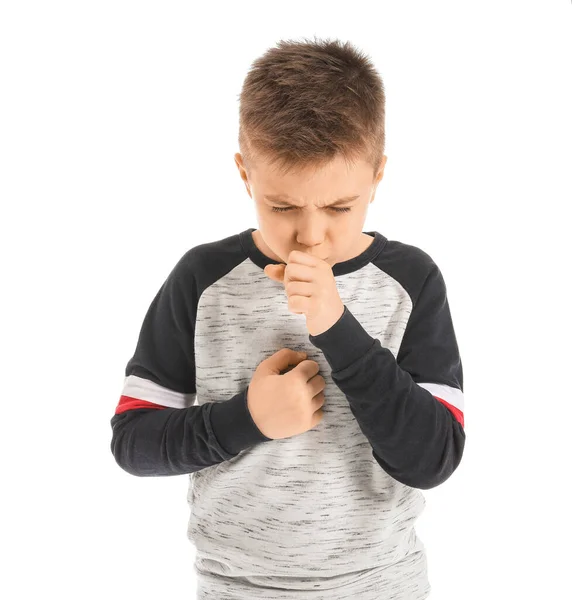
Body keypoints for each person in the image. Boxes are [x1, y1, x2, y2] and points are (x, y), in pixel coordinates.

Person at [110, 36, 465, 600]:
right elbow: (134, 442)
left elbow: (434, 457)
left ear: (377, 175)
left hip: (383, 586)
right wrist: (247, 419)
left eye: (339, 207)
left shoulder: (411, 281)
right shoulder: (201, 278)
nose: (310, 234)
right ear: (245, 173)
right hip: (235, 589)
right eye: (282, 207)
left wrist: (336, 326)